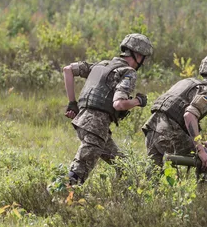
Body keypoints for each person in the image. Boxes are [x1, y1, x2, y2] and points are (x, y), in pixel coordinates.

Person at [62, 33, 153, 185]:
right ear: (137, 54)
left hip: (86, 124)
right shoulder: (127, 72)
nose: (143, 63)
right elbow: (119, 104)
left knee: (124, 166)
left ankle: (118, 196)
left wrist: (72, 102)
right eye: (144, 57)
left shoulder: (101, 65)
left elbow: (67, 70)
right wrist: (138, 101)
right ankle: (57, 196)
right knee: (79, 170)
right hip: (95, 127)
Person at [142, 53, 207, 182]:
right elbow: (189, 115)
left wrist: (201, 143)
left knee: (153, 177)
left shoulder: (187, 82)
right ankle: (203, 200)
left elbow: (174, 114)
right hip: (168, 134)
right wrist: (200, 149)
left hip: (152, 129)